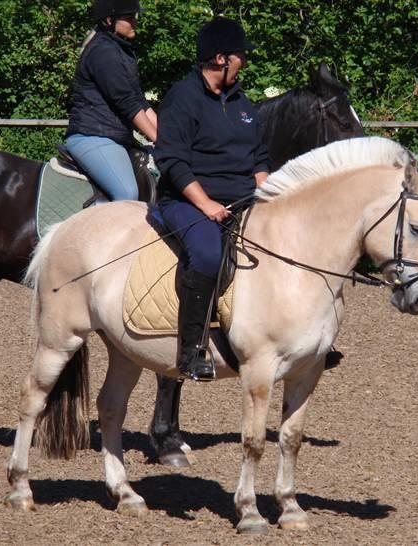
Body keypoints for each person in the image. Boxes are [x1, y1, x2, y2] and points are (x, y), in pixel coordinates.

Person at [153, 17, 269, 381]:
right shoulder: (182, 99)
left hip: (244, 202)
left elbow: (260, 160)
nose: (244, 63)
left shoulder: (244, 104)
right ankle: (191, 349)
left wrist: (270, 198)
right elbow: (171, 161)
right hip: (187, 202)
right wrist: (205, 204)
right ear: (221, 58)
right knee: (205, 253)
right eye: (240, 56)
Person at [65, 0, 158, 201]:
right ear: (109, 20)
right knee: (127, 193)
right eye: (129, 17)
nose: (135, 22)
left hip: (114, 138)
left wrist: (168, 137)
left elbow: (140, 102)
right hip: (92, 136)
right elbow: (128, 105)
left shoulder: (121, 50)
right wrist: (159, 139)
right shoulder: (103, 52)